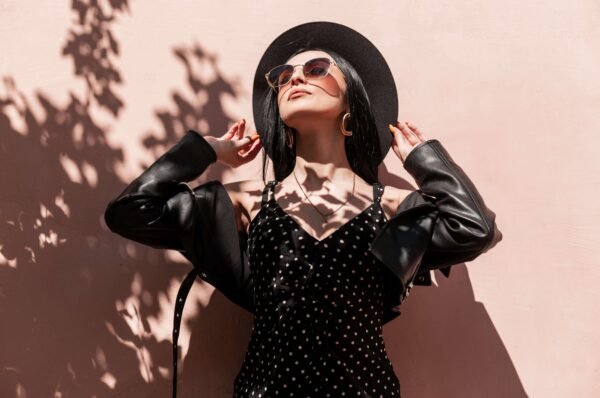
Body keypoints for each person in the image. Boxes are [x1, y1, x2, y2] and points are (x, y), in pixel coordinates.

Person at [104, 21, 502, 398]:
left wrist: (422, 160)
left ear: (352, 97)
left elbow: (475, 228)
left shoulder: (394, 207)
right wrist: (208, 150)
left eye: (316, 68)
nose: (295, 78)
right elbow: (131, 211)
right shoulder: (248, 201)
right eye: (283, 75)